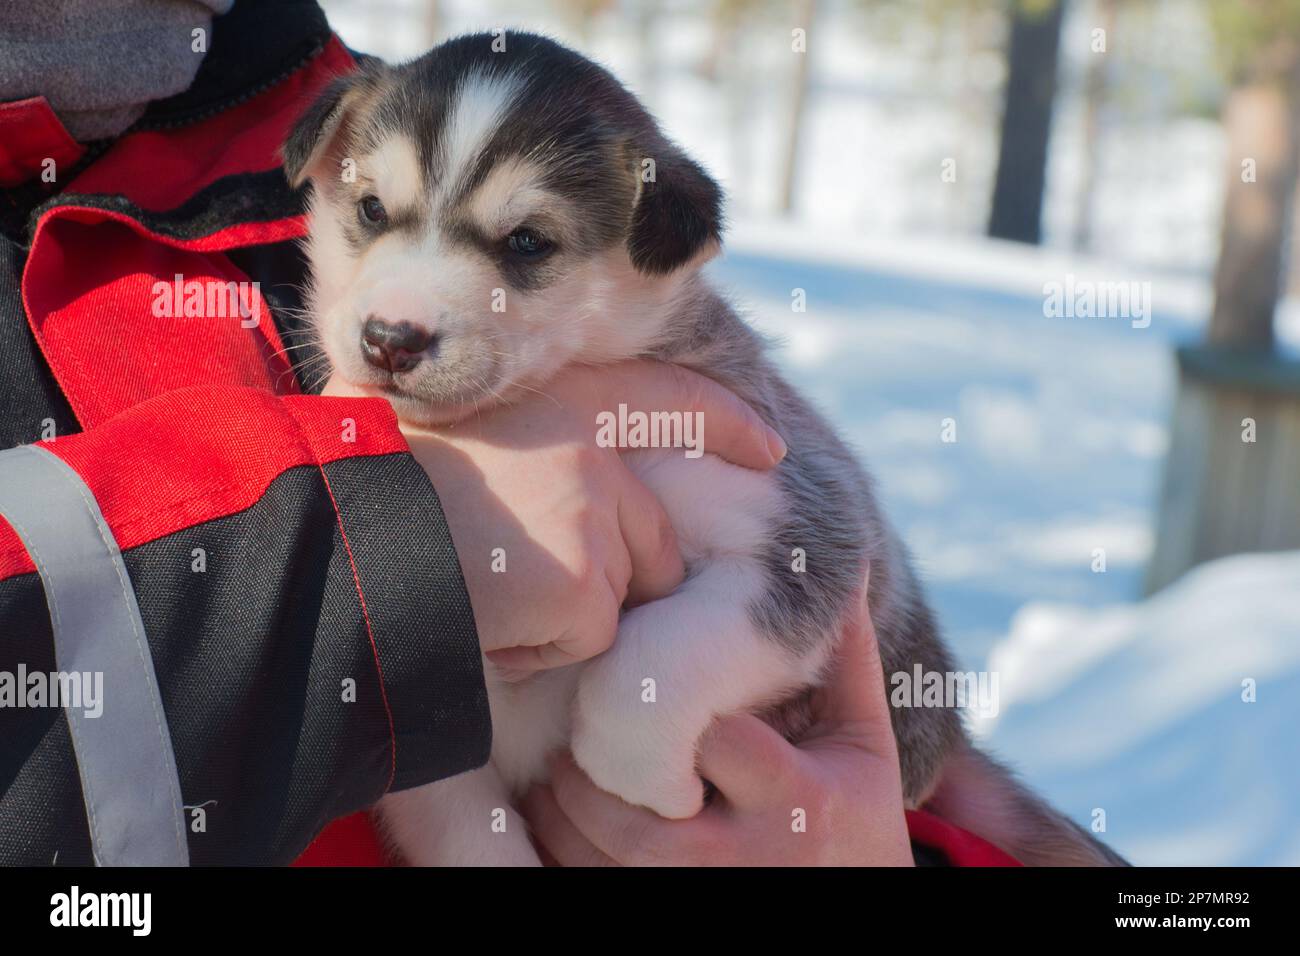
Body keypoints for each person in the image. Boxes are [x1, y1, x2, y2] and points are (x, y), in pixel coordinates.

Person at [0, 0, 1018, 867]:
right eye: (371, 214)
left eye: (524, 243)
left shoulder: (314, 125)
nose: (396, 312)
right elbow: (414, 761)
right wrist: (374, 554)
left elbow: (838, 646)